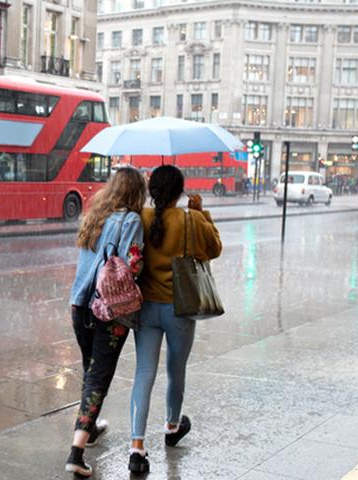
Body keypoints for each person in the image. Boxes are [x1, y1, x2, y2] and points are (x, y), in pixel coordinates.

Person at [127, 165, 222, 474]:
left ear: (153, 190)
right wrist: (202, 213)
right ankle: (171, 426)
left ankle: (137, 447)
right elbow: (214, 249)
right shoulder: (189, 218)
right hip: (179, 308)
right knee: (175, 369)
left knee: (144, 373)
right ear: (181, 191)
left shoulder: (140, 216)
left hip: (146, 308)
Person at [65, 167, 147, 477]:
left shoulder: (95, 215)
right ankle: (76, 450)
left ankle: (91, 426)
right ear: (137, 192)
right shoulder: (132, 220)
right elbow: (133, 265)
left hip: (80, 304)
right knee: (99, 378)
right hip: (109, 310)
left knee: (90, 371)